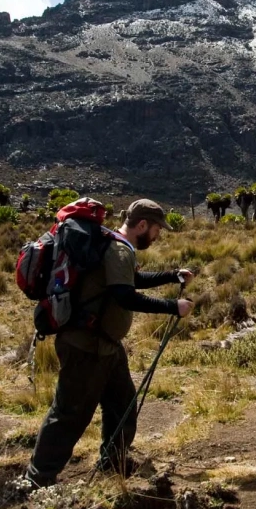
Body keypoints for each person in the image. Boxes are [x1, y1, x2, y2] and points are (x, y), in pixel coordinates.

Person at [25, 199, 196, 487]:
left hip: (105, 346)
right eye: (156, 230)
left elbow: (130, 280)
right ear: (142, 225)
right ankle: (36, 480)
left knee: (122, 404)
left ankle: (113, 462)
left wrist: (171, 275)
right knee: (70, 414)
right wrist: (172, 307)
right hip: (87, 346)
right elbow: (124, 296)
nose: (157, 236)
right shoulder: (117, 250)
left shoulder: (112, 245)